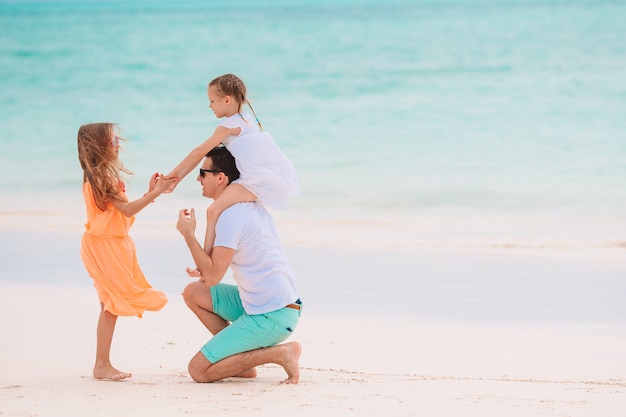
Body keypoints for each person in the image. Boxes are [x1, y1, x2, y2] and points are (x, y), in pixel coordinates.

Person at [176, 146, 302, 384]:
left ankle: (280, 353)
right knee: (194, 292)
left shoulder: (232, 217)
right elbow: (209, 272)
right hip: (265, 304)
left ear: (221, 177)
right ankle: (238, 363)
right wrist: (203, 267)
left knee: (199, 371)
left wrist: (188, 235)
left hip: (272, 315)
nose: (198, 178)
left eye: (203, 173)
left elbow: (212, 277)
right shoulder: (239, 208)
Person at [77, 122, 176, 381]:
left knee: (109, 304)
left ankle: (102, 363)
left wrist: (150, 194)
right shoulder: (103, 178)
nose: (118, 143)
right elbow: (128, 211)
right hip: (106, 246)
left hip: (103, 243)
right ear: (100, 145)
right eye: (113, 140)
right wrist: (156, 191)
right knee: (111, 304)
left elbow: (120, 211)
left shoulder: (96, 176)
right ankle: (101, 365)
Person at [166, 73, 298, 255]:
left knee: (213, 210)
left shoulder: (228, 125)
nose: (209, 106)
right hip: (261, 178)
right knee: (214, 210)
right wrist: (177, 179)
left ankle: (206, 262)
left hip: (253, 182)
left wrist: (172, 175)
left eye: (212, 101)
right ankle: (207, 261)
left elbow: (199, 152)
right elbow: (200, 156)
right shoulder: (246, 119)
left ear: (227, 100)